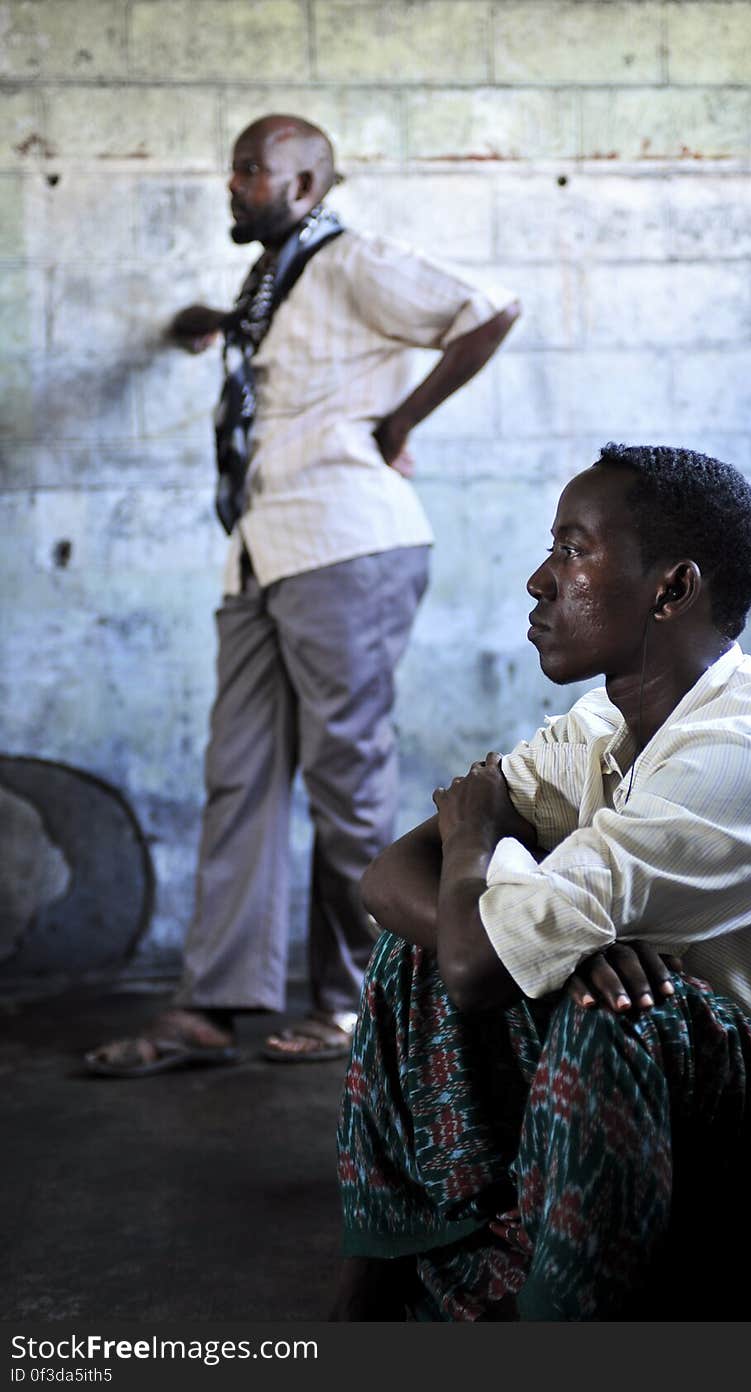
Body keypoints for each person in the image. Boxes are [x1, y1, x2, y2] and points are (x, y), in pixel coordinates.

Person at [329, 442, 751, 1320]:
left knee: (611, 1007)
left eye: (573, 550)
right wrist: (566, 946)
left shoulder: (743, 761)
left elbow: (477, 951)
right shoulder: (603, 723)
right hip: (689, 1036)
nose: (539, 581)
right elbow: (389, 874)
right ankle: (381, 1289)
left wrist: (482, 850)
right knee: (430, 949)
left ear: (671, 588)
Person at [86, 114, 520, 1075]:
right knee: (238, 776)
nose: (234, 184)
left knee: (344, 783)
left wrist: (400, 417)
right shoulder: (271, 288)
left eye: (253, 170)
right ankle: (210, 1007)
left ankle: (359, 1000)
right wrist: (210, 325)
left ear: (309, 187)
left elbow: (489, 308)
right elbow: (270, 353)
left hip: (344, 546)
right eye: (233, 167)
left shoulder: (351, 260)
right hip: (258, 553)